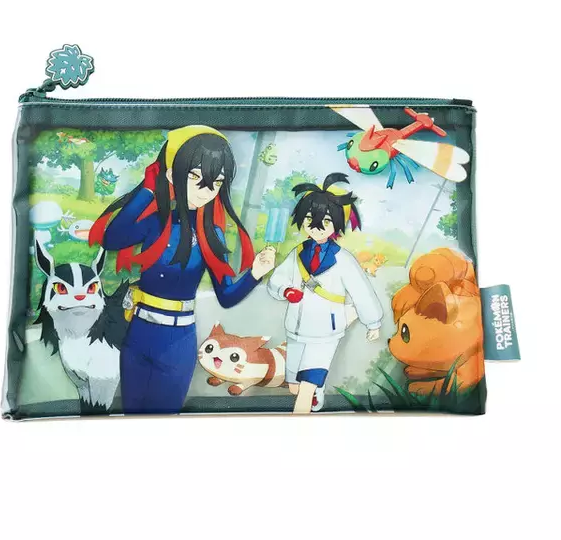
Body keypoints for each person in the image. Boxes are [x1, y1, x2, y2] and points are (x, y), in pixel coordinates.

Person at [89, 125, 276, 413]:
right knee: (131, 416)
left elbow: (226, 296)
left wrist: (255, 273)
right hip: (137, 334)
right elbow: (112, 238)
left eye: (215, 183)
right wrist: (148, 190)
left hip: (177, 343)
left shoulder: (212, 233)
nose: (204, 190)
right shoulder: (157, 220)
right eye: (194, 177)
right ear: (172, 174)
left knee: (165, 421)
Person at [267, 173, 383, 413]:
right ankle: (314, 391)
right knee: (294, 387)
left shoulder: (343, 259)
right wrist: (285, 290)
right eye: (310, 219)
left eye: (326, 221)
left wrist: (373, 322)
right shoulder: (298, 252)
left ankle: (304, 414)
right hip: (295, 328)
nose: (316, 226)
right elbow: (276, 280)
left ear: (336, 224)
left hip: (325, 333)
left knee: (306, 387)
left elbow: (361, 290)